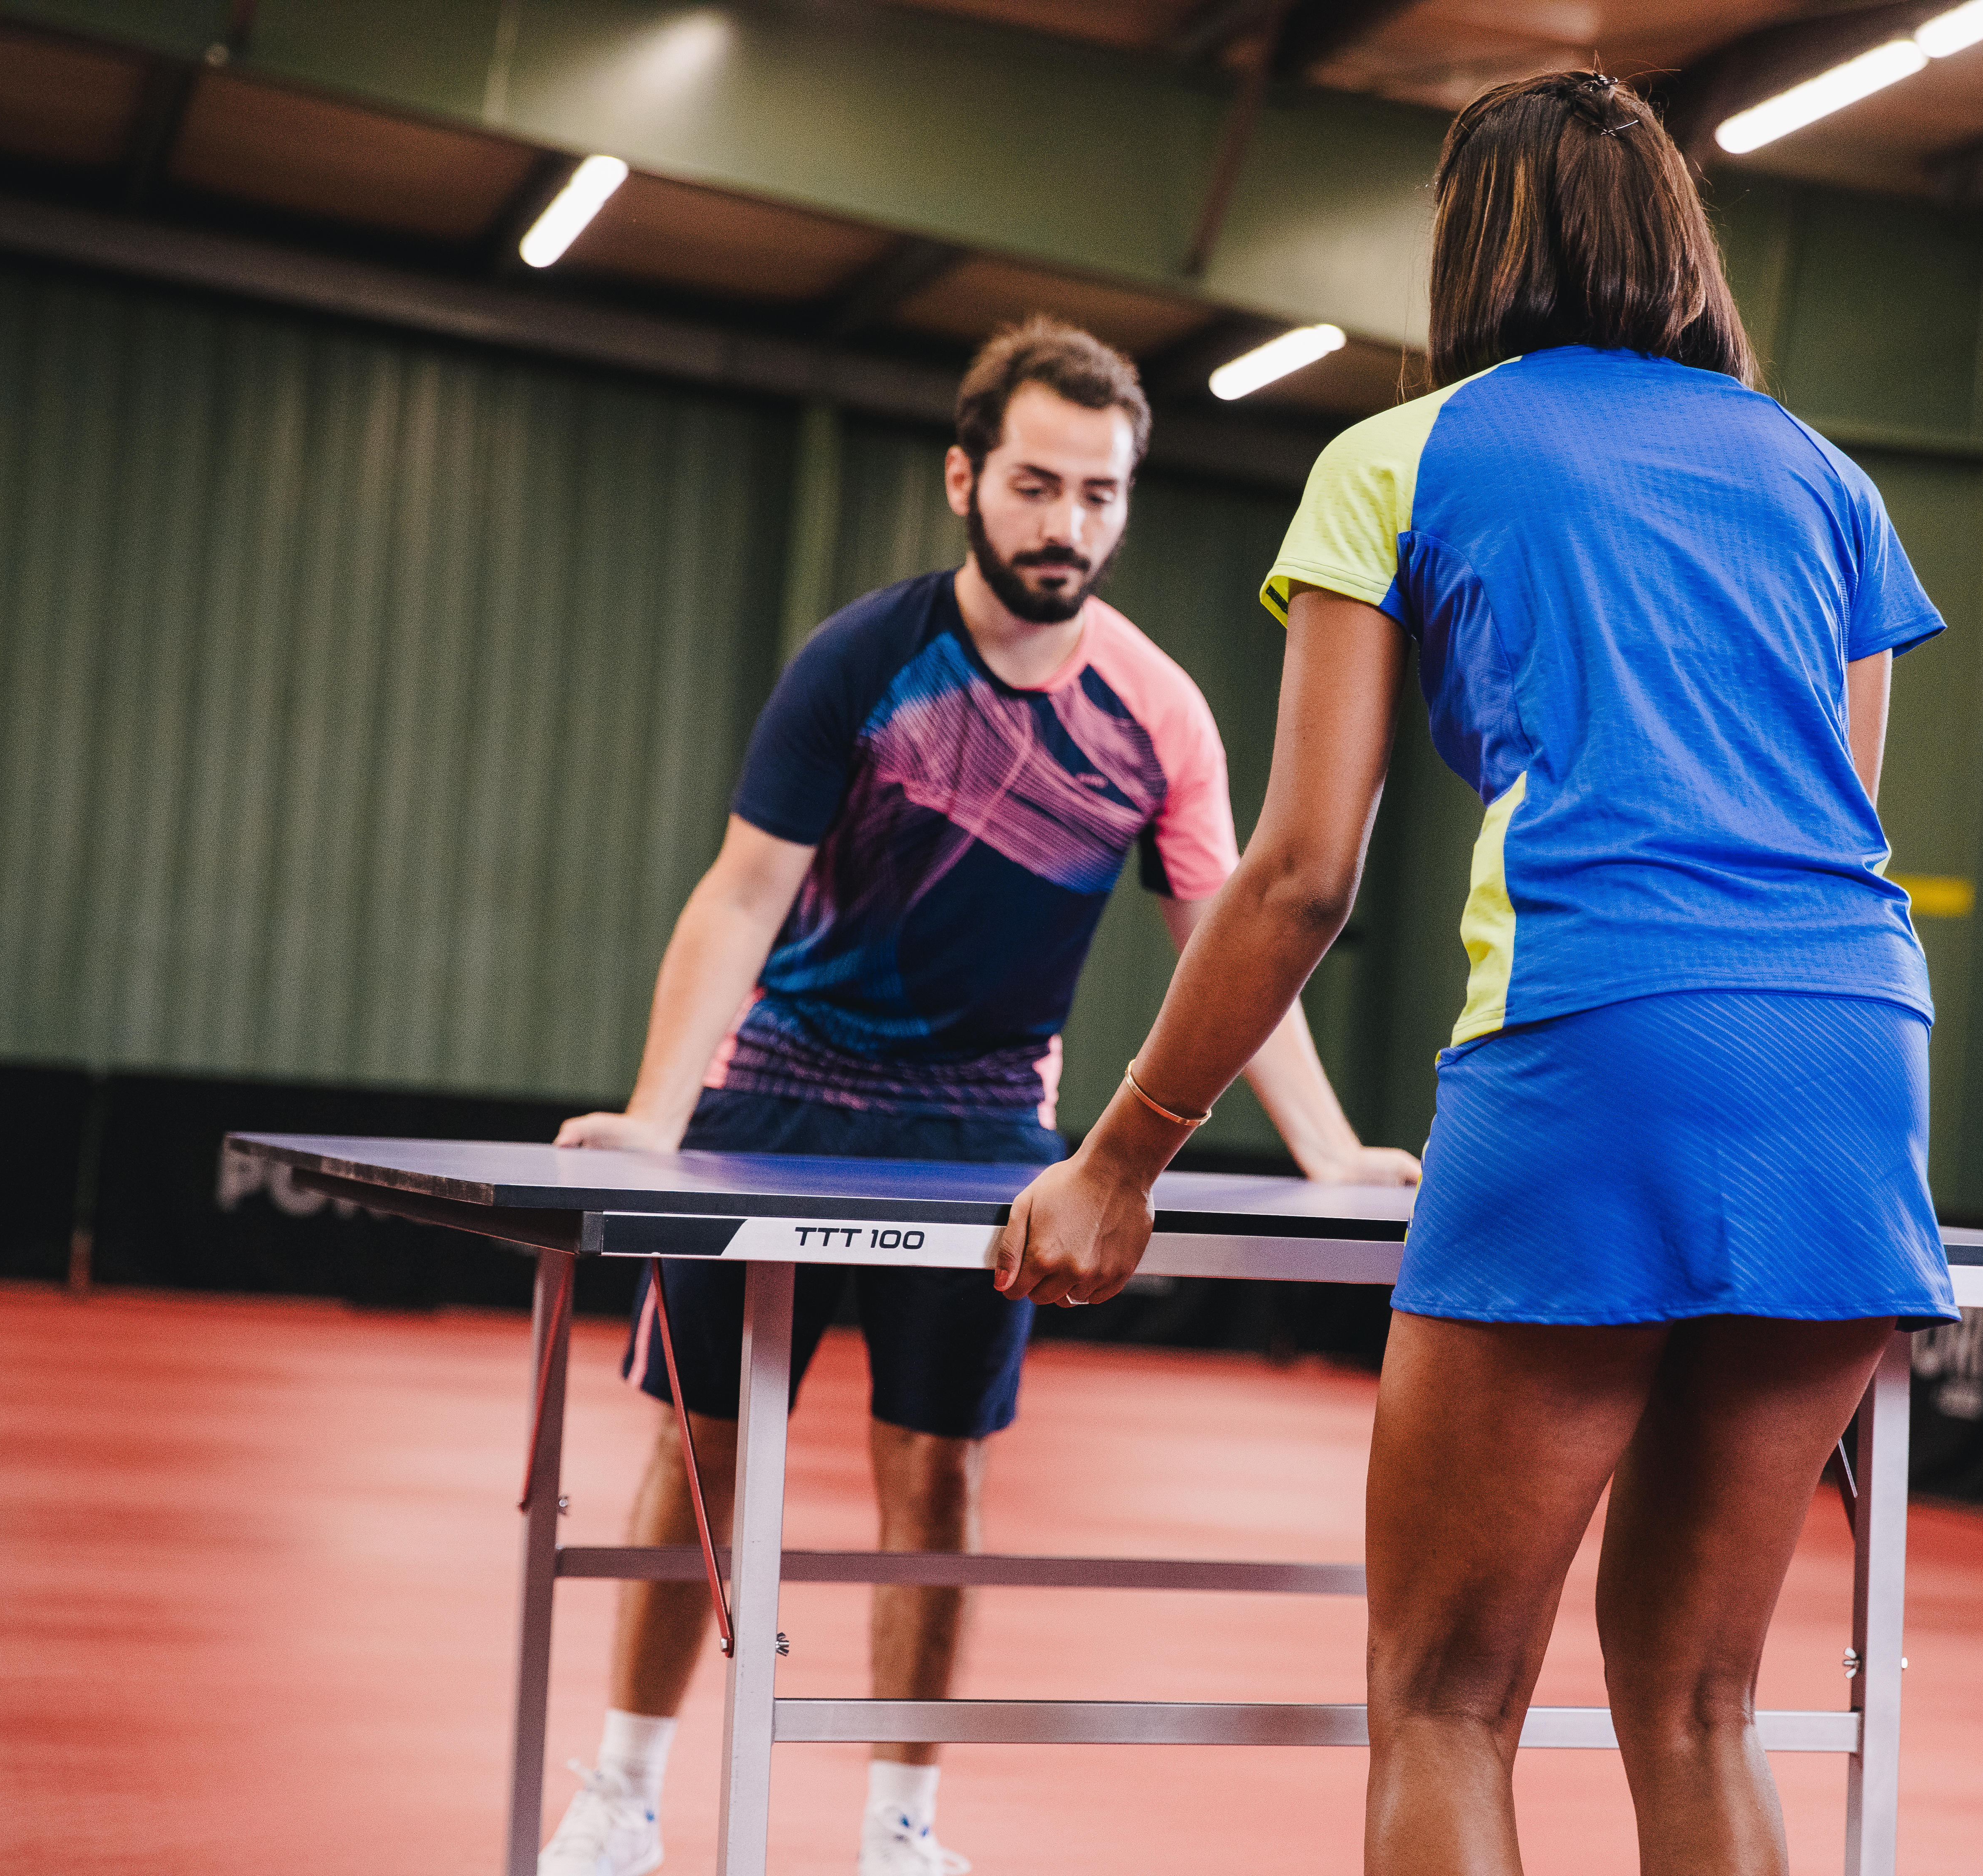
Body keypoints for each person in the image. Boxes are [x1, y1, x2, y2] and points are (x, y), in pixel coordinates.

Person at [992, 72, 1958, 1875]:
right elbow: (1836, 817)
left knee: (1445, 1694)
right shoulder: (1825, 476)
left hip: (1598, 1038)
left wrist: (1120, 1154)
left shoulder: (1404, 455)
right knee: (1702, 1706)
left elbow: (1293, 877)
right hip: (1854, 1048)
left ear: (1471, 245)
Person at [539, 317, 1420, 1876]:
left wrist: (1334, 1147)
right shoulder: (862, 663)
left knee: (937, 1476)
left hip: (986, 1140)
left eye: (1099, 494)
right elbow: (744, 895)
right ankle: (621, 1794)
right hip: (779, 1106)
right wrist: (661, 1118)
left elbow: (1235, 931)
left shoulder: (1156, 712)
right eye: (1035, 483)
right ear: (967, 479)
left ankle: (901, 1825)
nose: (1065, 523)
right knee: (704, 1452)